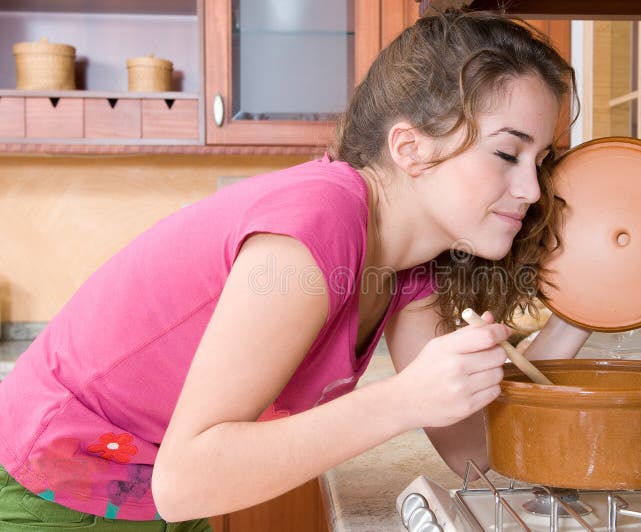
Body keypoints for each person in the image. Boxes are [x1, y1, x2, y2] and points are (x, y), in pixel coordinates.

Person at [0, 8, 591, 530]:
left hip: (150, 489)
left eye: (540, 160)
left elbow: (475, 451)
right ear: (410, 148)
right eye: (507, 153)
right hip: (53, 479)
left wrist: (588, 306)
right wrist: (403, 399)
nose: (533, 189)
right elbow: (185, 480)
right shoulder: (319, 222)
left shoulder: (412, 270)